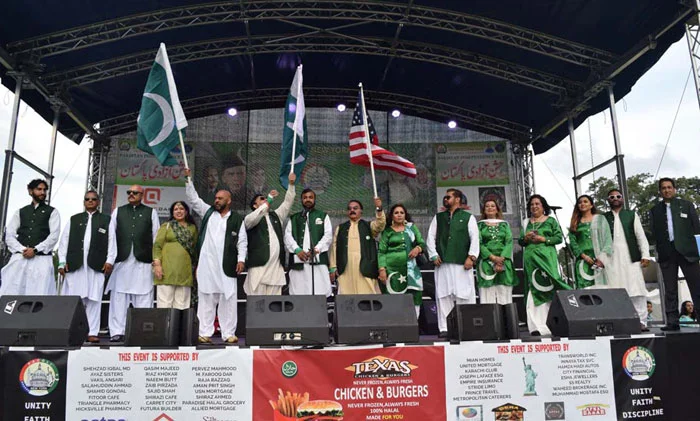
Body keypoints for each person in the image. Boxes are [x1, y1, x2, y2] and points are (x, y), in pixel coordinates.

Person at [184, 168, 246, 344]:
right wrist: (188, 180)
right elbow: (194, 200)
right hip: (208, 266)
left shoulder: (236, 219)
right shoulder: (208, 212)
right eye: (216, 198)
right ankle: (204, 333)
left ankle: (228, 334)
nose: (216, 200)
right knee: (206, 300)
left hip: (227, 266)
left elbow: (242, 241)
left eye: (220, 198)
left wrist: (241, 260)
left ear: (229, 200)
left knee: (228, 300)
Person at [105, 184, 160, 342]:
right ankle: (117, 331)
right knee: (119, 298)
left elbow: (156, 238)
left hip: (143, 261)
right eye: (129, 192)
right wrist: (110, 259)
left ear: (142, 195)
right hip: (122, 261)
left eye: (135, 192)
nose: (131, 194)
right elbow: (111, 237)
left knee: (144, 297)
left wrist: (156, 260)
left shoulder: (151, 212)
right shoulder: (118, 211)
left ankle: (143, 332)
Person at [57, 190, 110, 343]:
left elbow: (112, 241)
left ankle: (92, 332)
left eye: (93, 199)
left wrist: (110, 261)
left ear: (98, 202)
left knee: (94, 299)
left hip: (96, 265)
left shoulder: (106, 220)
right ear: (84, 202)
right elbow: (64, 242)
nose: (90, 201)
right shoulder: (74, 219)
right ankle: (69, 331)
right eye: (87, 199)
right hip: (76, 264)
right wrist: (61, 262)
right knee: (74, 299)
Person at [426, 188, 480, 337]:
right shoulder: (439, 217)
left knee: (465, 295)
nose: (445, 199)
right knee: (443, 295)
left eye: (448, 197)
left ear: (457, 199)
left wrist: (471, 257)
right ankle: (445, 328)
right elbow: (430, 237)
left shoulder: (468, 217)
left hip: (462, 263)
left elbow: (475, 238)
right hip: (442, 263)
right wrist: (433, 255)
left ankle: (467, 326)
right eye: (445, 197)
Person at [649, 177, 700, 331]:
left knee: (696, 286)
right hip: (667, 253)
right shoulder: (655, 210)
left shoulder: (687, 205)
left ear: (674, 189)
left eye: (669, 187)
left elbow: (696, 228)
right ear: (660, 191)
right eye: (663, 188)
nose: (667, 190)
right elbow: (654, 233)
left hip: (687, 252)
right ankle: (672, 322)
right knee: (670, 289)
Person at [519, 194, 570, 336]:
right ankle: (536, 326)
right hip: (531, 260)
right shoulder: (526, 222)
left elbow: (558, 238)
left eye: (537, 204)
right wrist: (526, 238)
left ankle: (553, 323)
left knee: (550, 285)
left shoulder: (551, 220)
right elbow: (521, 242)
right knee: (534, 287)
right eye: (532, 204)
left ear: (543, 206)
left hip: (547, 258)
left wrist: (544, 239)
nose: (534, 206)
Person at [0, 179, 60, 296]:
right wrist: (22, 249)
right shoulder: (21, 212)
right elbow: (10, 235)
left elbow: (54, 236)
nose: (42, 192)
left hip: (41, 260)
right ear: (30, 191)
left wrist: (36, 249)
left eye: (44, 190)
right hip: (20, 258)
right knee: (12, 292)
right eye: (39, 189)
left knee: (39, 293)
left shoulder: (52, 212)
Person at [603, 189, 652, 331]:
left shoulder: (631, 215)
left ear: (622, 199)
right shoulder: (604, 218)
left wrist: (645, 255)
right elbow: (600, 240)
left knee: (636, 289)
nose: (615, 198)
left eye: (618, 196)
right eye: (612, 197)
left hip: (631, 257)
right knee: (614, 290)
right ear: (608, 200)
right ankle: (618, 322)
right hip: (612, 259)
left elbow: (640, 236)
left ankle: (641, 321)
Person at [243, 173, 296, 295]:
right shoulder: (250, 219)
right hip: (258, 270)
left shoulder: (276, 216)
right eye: (262, 199)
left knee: (274, 305)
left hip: (275, 270)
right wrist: (269, 201)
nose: (266, 200)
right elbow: (252, 219)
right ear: (255, 205)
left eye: (266, 198)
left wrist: (291, 185)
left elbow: (288, 202)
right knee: (257, 304)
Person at [330, 197, 386, 294]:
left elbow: (380, 224)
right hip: (346, 268)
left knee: (367, 296)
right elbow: (334, 248)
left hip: (365, 267)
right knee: (346, 296)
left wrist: (379, 209)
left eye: (355, 208)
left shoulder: (369, 226)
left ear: (361, 211)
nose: (352, 210)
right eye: (349, 209)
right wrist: (332, 267)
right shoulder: (340, 228)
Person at [284, 187, 333, 296]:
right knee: (298, 292)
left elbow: (328, 236)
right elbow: (287, 236)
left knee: (320, 291)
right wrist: (297, 250)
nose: (308, 200)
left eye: (310, 197)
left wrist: (317, 249)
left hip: (318, 261)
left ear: (314, 199)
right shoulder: (294, 218)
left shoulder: (323, 216)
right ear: (301, 200)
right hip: (298, 260)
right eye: (305, 197)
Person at [378, 204, 425, 316]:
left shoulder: (411, 228)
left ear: (405, 215)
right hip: (392, 271)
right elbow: (381, 252)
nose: (399, 215)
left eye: (401, 213)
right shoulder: (387, 231)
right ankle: (395, 322)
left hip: (411, 270)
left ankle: (414, 321)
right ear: (392, 216)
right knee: (393, 299)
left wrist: (417, 249)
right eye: (396, 213)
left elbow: (422, 243)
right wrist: (382, 269)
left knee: (414, 295)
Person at [153, 201, 198, 309]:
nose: (179, 211)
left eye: (181, 209)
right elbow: (157, 246)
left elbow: (196, 249)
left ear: (186, 212)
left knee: (182, 305)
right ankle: (166, 322)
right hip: (167, 271)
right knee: (165, 304)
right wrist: (157, 265)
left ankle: (180, 322)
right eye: (176, 209)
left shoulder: (192, 228)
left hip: (185, 273)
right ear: (172, 213)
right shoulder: (167, 226)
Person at [477, 199, 517, 304]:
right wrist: (493, 258)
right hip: (486, 262)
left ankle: (506, 314)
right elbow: (478, 243)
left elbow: (509, 242)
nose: (490, 208)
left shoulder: (504, 224)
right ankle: (489, 315)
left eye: (492, 206)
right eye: (487, 206)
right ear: (484, 210)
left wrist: (501, 259)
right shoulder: (480, 225)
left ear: (497, 209)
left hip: (504, 262)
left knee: (504, 293)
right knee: (487, 294)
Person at [569, 194, 613, 289]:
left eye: (585, 202)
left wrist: (602, 258)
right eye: (580, 202)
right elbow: (573, 243)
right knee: (585, 291)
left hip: (600, 261)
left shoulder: (600, 219)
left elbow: (607, 239)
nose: (582, 204)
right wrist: (584, 256)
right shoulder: (575, 223)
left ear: (591, 205)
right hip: (583, 261)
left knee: (602, 290)